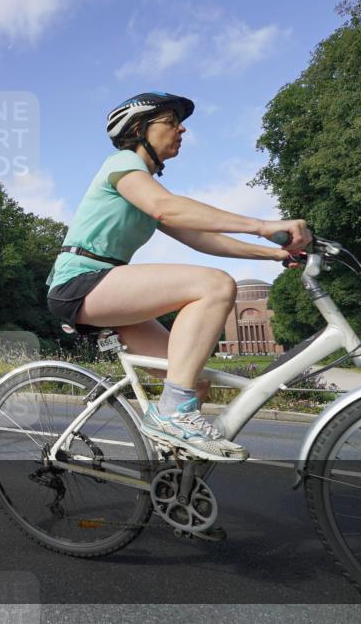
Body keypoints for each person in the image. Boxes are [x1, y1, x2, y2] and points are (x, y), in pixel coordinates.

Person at [47, 91, 311, 462]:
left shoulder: (146, 188)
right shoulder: (121, 164)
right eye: (170, 122)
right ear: (138, 130)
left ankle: (169, 478)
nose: (181, 129)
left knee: (191, 380)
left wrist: (276, 254)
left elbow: (202, 238)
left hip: (108, 285)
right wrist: (263, 225)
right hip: (79, 284)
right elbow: (167, 208)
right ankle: (171, 416)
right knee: (215, 285)